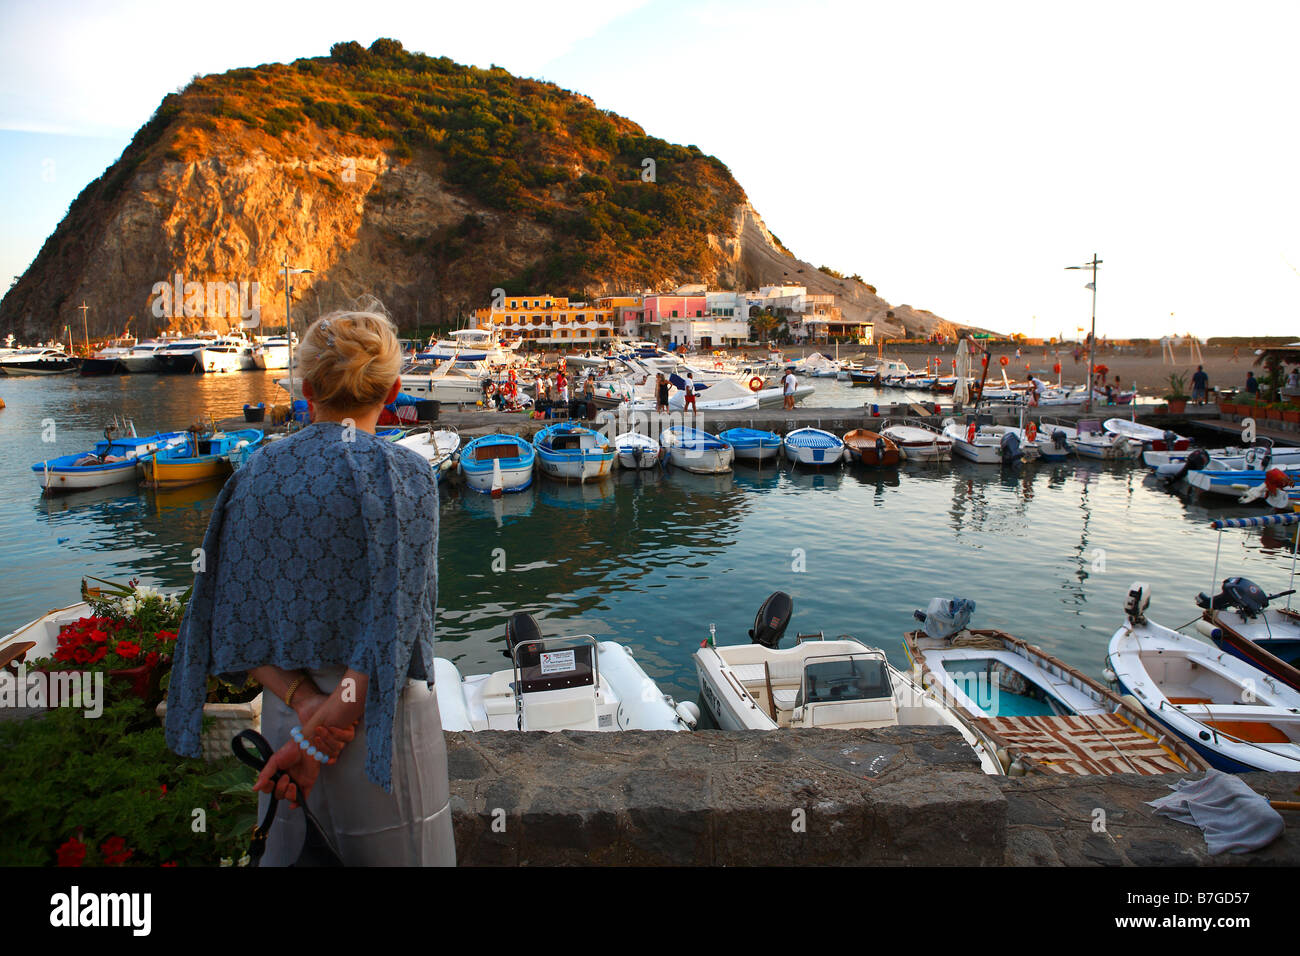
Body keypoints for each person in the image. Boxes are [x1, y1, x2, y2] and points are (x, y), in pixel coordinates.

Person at [165, 310, 455, 866]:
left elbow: (228, 617)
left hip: (289, 716)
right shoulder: (408, 476)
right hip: (381, 729)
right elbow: (395, 628)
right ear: (393, 390)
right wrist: (332, 722)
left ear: (306, 389)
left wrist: (307, 711)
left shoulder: (253, 473)